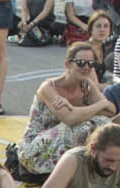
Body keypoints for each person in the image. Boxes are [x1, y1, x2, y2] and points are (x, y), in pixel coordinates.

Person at [17, 42, 115, 179]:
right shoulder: (49, 87)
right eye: (81, 63)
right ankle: (67, 173)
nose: (86, 67)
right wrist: (98, 106)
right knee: (78, 127)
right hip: (36, 148)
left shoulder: (86, 85)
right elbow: (69, 119)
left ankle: (86, 168)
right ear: (68, 64)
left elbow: (111, 111)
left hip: (62, 145)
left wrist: (79, 108)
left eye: (90, 64)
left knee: (103, 122)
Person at [87, 12, 119, 83]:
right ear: (91, 28)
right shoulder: (85, 50)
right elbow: (92, 84)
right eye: (98, 26)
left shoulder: (103, 47)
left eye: (106, 26)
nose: (102, 30)